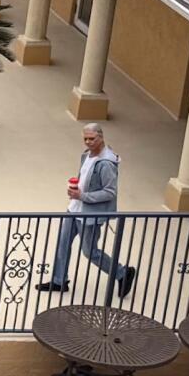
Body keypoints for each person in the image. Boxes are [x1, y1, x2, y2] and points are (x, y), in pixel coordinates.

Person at [38, 123, 134, 296]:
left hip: (90, 215)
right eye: (85, 138)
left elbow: (110, 192)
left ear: (101, 137)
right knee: (63, 243)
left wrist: (82, 196)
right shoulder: (86, 156)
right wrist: (76, 191)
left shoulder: (106, 164)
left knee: (90, 252)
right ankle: (59, 281)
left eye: (92, 138)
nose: (88, 142)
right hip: (74, 209)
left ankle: (122, 272)